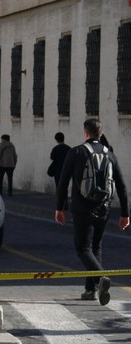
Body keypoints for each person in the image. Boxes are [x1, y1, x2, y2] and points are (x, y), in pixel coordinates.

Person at [55, 118, 129, 305]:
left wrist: (59, 208)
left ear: (85, 133)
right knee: (96, 246)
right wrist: (125, 214)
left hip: (82, 208)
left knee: (83, 248)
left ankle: (100, 279)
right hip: (104, 208)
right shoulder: (110, 155)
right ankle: (91, 290)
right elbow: (121, 185)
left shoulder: (76, 152)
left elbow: (63, 182)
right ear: (101, 134)